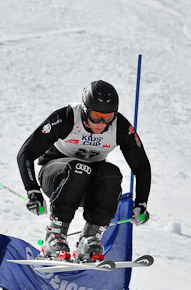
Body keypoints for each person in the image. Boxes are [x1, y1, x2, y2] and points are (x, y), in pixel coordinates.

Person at [17, 80, 151, 261]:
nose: (101, 123)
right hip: (55, 178)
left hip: (86, 187)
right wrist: (32, 190)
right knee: (80, 168)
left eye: (108, 117)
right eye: (96, 116)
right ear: (85, 110)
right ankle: (55, 236)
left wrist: (141, 203)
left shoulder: (120, 126)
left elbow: (141, 166)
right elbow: (26, 152)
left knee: (112, 174)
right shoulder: (67, 117)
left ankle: (90, 239)